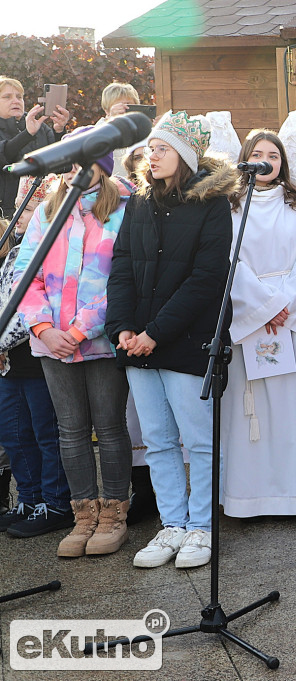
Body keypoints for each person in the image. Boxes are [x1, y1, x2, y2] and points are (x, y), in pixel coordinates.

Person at [106, 111, 235, 569]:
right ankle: (172, 526)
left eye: (161, 148)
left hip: (185, 340)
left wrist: (154, 334)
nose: (150, 154)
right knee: (158, 440)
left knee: (197, 440)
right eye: (150, 148)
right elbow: (121, 266)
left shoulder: (212, 205)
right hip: (136, 340)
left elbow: (206, 280)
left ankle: (201, 528)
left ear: (183, 155)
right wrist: (121, 327)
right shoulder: (139, 202)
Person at [14, 132, 134, 556]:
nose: (71, 171)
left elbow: (121, 279)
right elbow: (24, 275)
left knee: (109, 426)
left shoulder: (123, 209)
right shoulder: (49, 210)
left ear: (101, 165)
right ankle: (83, 514)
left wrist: (82, 330)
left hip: (98, 342)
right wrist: (43, 327)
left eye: (80, 163)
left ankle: (115, 512)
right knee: (69, 430)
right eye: (66, 163)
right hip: (51, 341)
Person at [220, 129, 296, 518]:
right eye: (258, 153)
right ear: (246, 159)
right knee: (252, 415)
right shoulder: (231, 206)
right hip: (252, 319)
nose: (266, 160)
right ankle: (250, 498)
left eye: (274, 155)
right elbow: (228, 258)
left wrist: (282, 305)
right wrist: (263, 307)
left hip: (293, 319)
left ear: (283, 163)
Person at [0, 177, 69, 538]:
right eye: (17, 206)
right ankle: (28, 498)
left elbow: (24, 309)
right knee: (14, 434)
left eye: (27, 208)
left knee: (46, 432)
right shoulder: (13, 251)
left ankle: (55, 501)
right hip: (8, 361)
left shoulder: (48, 249)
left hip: (34, 355)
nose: (18, 214)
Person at [0, 76, 69, 216]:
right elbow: (4, 155)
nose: (15, 101)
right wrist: (27, 134)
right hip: (5, 212)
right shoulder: (32, 129)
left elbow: (60, 165)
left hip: (41, 210)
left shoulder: (41, 128)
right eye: (7, 97)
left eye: (19, 97)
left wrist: (59, 131)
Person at [97, 82, 141, 177]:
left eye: (129, 105)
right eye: (119, 105)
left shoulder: (141, 130)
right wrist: (112, 121)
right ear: (107, 110)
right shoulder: (99, 129)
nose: (124, 109)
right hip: (111, 186)